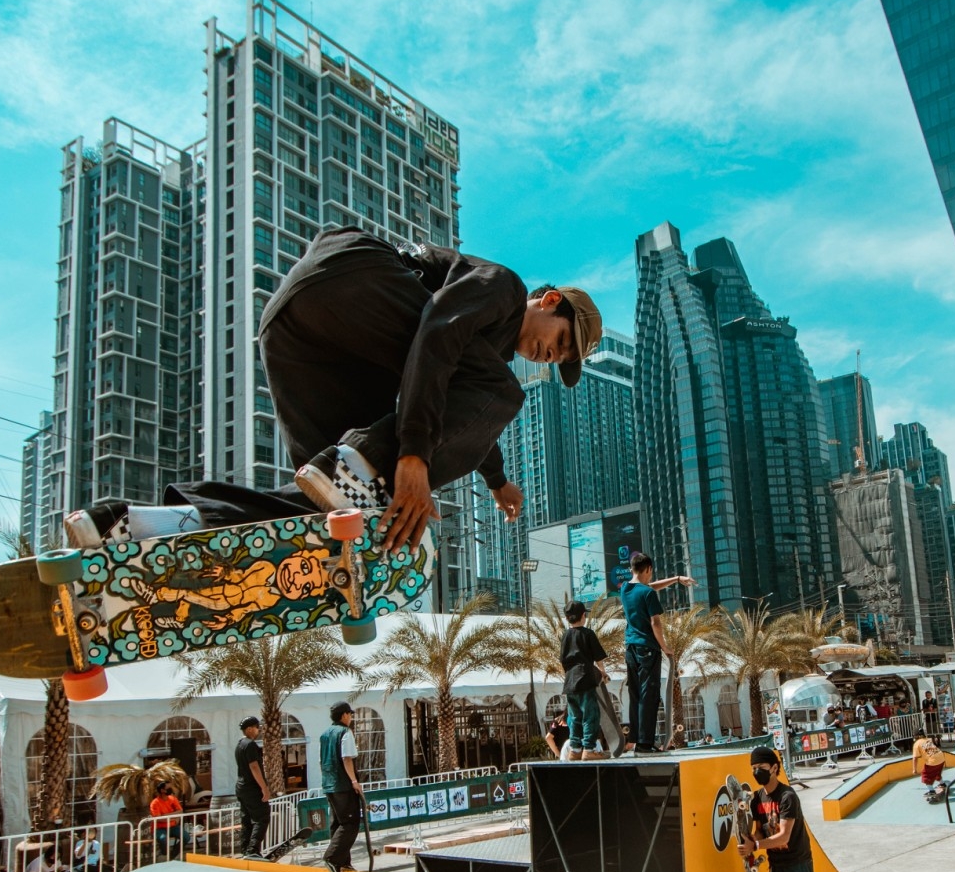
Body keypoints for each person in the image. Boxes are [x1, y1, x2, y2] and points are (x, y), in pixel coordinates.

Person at [62, 226, 604, 551]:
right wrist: (412, 458)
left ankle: (144, 525)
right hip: (352, 279)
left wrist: (497, 481)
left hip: (296, 334)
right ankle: (362, 466)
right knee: (501, 392)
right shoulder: (503, 289)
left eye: (558, 360)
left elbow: (458, 402)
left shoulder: (482, 365)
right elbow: (439, 332)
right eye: (558, 343)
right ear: (549, 301)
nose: (548, 357)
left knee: (322, 513)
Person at [618, 552, 696, 755]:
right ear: (649, 569)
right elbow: (656, 623)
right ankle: (645, 744)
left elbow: (649, 587)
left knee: (635, 694)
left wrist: (676, 579)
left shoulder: (625, 589)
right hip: (647, 648)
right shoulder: (648, 594)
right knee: (648, 695)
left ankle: (636, 740)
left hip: (630, 648)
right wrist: (665, 647)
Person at [320, 701, 368, 872]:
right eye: (350, 714)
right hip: (343, 784)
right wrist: (354, 782)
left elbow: (321, 760)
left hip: (329, 784)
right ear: (344, 715)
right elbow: (347, 758)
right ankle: (332, 858)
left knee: (338, 823)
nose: (351, 718)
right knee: (350, 823)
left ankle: (343, 862)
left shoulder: (325, 734)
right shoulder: (345, 732)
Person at [559, 600, 608, 759]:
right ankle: (589, 749)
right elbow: (598, 656)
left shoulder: (565, 636)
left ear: (567, 618)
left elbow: (563, 660)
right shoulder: (588, 634)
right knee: (590, 715)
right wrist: (602, 672)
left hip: (570, 681)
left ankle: (575, 750)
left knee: (574, 717)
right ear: (583, 616)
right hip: (585, 677)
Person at [234, 716, 273, 856]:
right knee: (262, 818)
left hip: (241, 787)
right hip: (252, 788)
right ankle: (253, 850)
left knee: (246, 820)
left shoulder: (239, 744)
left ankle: (245, 849)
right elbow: (254, 766)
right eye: (257, 727)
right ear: (249, 729)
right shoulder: (250, 745)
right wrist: (264, 788)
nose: (259, 730)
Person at [149, 781, 185, 860]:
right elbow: (159, 819)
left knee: (186, 837)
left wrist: (166, 816)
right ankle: (165, 854)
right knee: (163, 838)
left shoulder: (173, 799)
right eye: (168, 788)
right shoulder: (155, 803)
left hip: (172, 826)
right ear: (162, 790)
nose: (171, 789)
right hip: (159, 828)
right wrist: (174, 817)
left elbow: (180, 811)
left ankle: (173, 854)